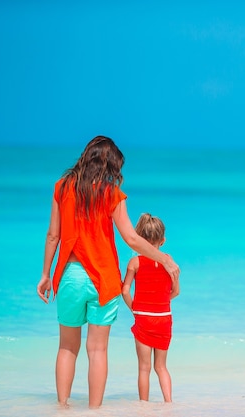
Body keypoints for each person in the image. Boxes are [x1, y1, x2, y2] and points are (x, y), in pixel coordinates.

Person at [36, 136, 180, 409]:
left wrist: (45, 275)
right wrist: (165, 260)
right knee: (97, 350)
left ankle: (62, 408)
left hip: (70, 277)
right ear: (110, 165)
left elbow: (53, 236)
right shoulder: (112, 193)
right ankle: (94, 411)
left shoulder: (62, 187)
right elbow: (132, 239)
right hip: (103, 280)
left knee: (67, 347)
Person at [122, 213, 180, 403]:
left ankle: (144, 407)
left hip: (143, 318)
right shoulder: (169, 262)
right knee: (161, 367)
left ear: (139, 238)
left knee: (144, 368)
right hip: (164, 318)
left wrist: (135, 309)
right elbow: (175, 292)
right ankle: (169, 403)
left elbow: (125, 291)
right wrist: (161, 301)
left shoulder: (135, 262)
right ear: (163, 240)